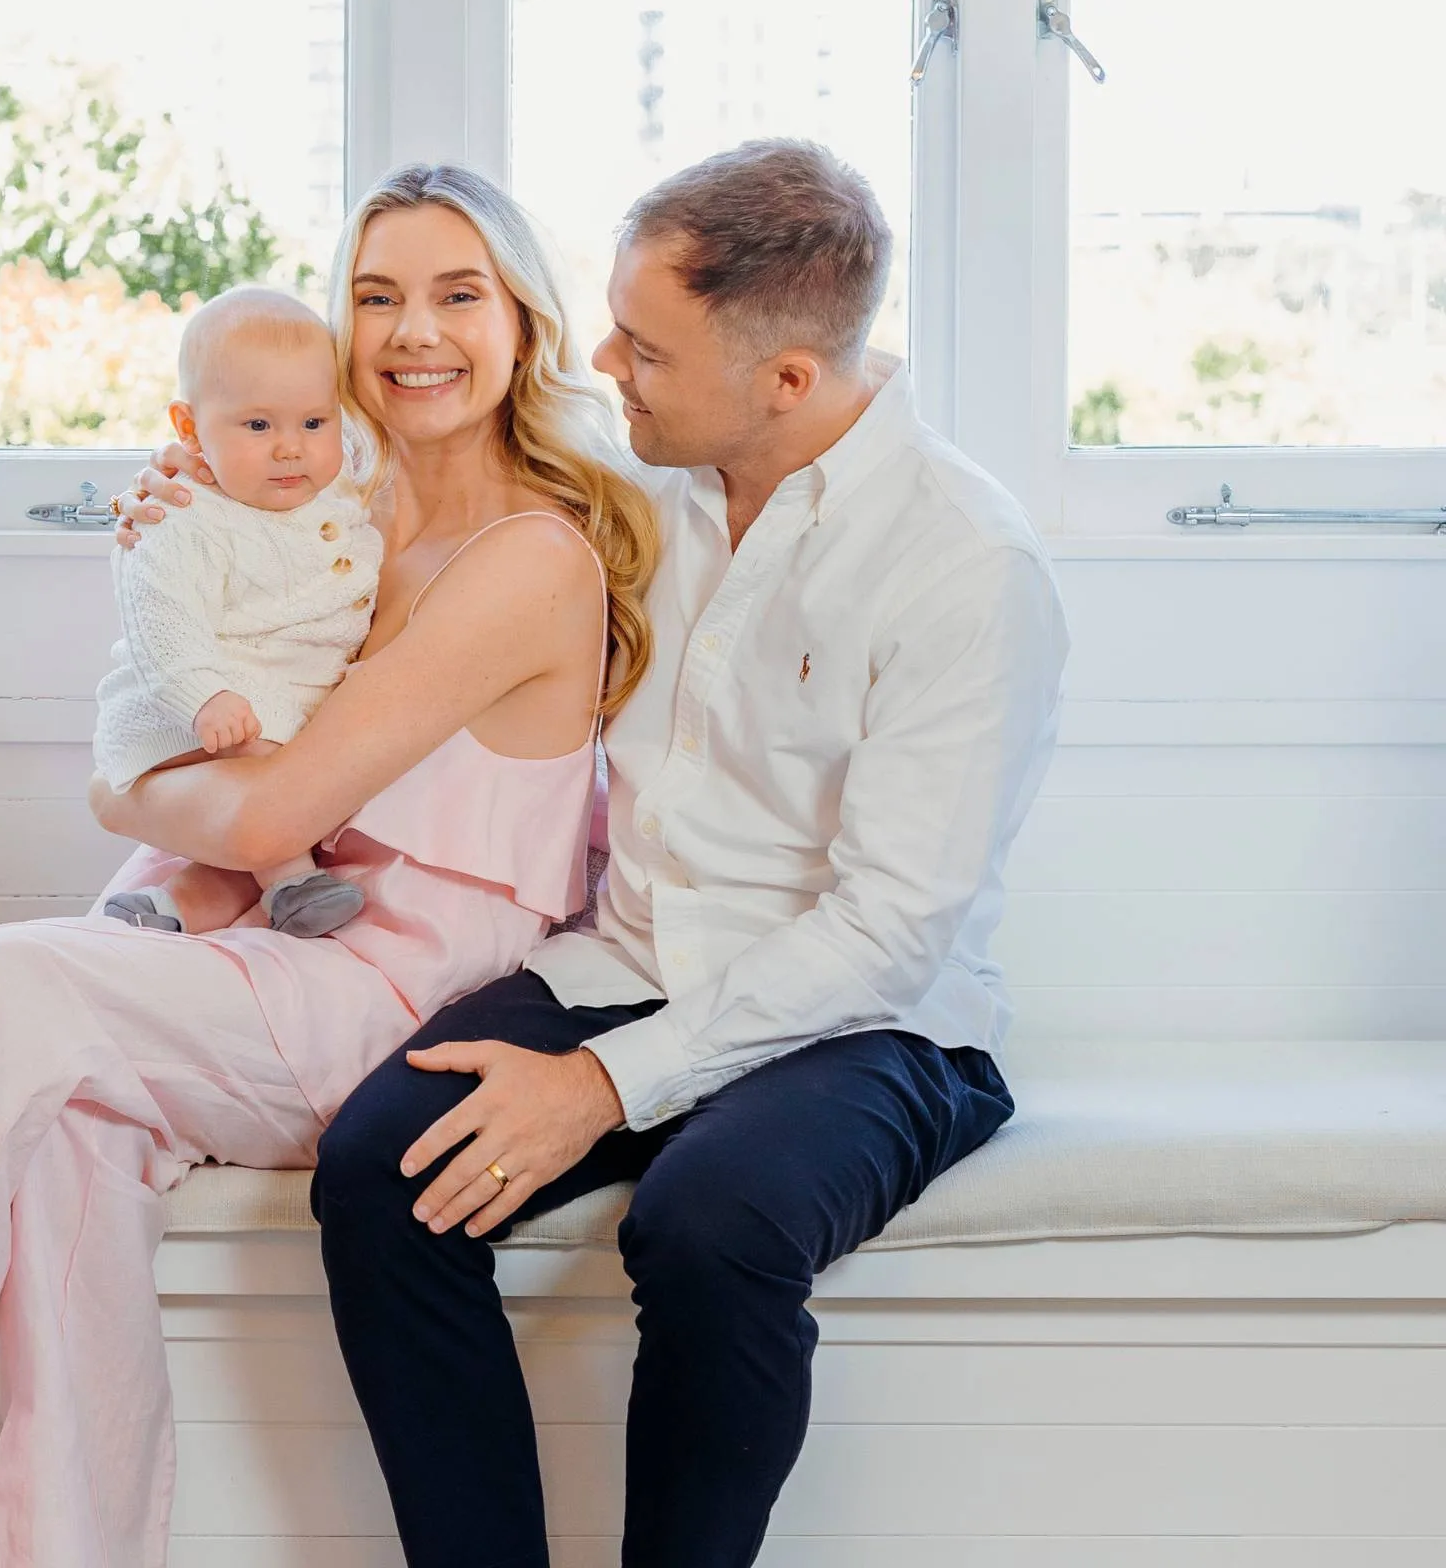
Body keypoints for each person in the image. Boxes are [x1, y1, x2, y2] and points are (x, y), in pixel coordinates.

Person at [0, 162, 657, 1568]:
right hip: (264, 957)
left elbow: (262, 817)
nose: (415, 332)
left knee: (8, 985)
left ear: (523, 321)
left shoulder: (533, 558)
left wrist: (130, 785)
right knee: (65, 1139)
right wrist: (160, 722)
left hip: (406, 996)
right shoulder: (320, 516)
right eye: (377, 296)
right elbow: (168, 717)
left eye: (459, 294)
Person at [306, 139, 1071, 1568]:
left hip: (873, 1024)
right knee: (377, 1172)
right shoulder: (634, 491)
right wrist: (204, 510)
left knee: (709, 1224)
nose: (603, 359)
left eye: (645, 347)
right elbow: (407, 493)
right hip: (628, 963)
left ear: (786, 380)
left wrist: (599, 1088)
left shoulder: (968, 565)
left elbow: (890, 930)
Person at [93, 284, 382, 938]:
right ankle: (292, 880)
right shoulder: (184, 514)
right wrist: (205, 694)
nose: (290, 448)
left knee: (275, 772)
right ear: (190, 428)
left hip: (279, 707)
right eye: (258, 425)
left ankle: (171, 910)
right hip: (186, 706)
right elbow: (160, 618)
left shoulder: (338, 490)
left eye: (315, 423)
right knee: (270, 756)